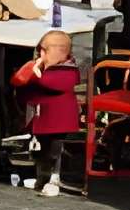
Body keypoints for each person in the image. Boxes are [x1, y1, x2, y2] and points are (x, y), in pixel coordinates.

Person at [8, 30, 80, 195]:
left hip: (59, 120)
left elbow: (55, 84)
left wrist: (35, 77)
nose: (40, 54)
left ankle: (54, 178)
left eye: (45, 50)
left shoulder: (68, 70)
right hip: (41, 119)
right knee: (41, 150)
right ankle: (42, 176)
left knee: (55, 150)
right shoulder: (40, 67)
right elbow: (20, 84)